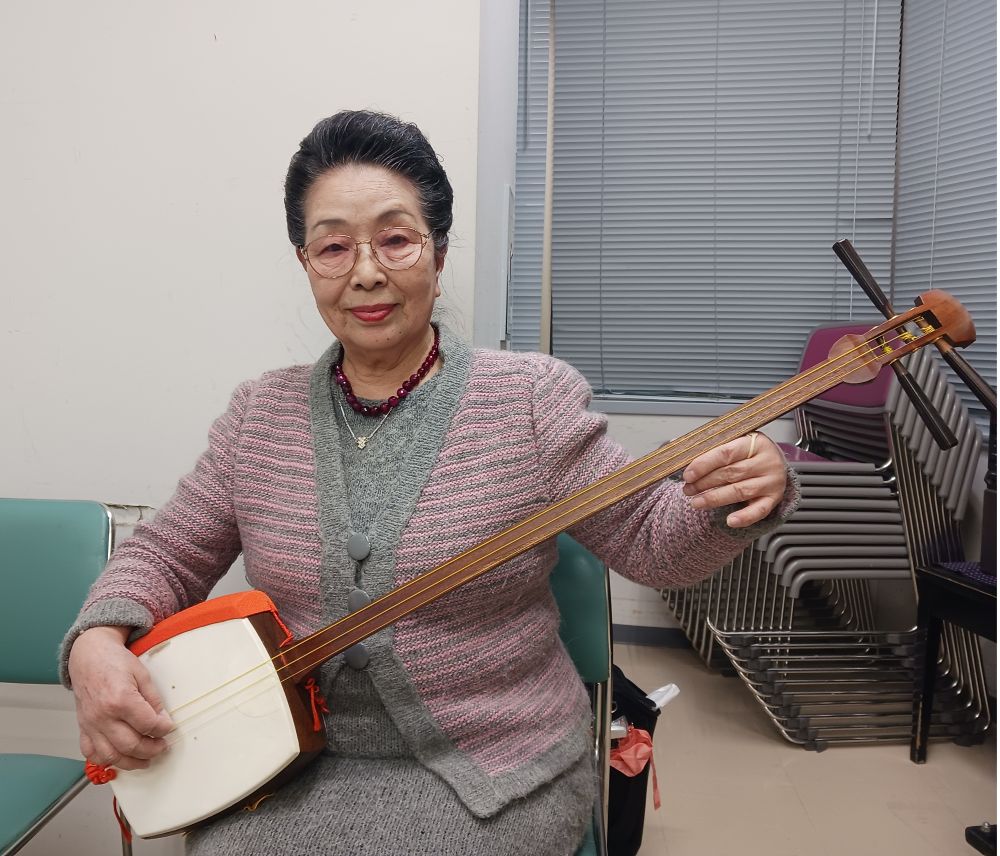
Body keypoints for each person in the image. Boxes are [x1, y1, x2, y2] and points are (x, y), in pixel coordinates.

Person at [62, 109, 798, 856]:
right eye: (334, 246)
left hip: (491, 772)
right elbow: (167, 551)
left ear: (438, 253)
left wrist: (727, 501)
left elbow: (653, 544)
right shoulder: (260, 414)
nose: (367, 271)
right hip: (281, 763)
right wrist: (97, 639)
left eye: (396, 238)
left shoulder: (529, 401)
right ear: (305, 262)